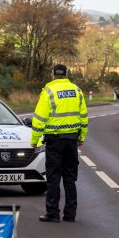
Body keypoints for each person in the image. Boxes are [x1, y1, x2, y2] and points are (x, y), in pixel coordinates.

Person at [31, 64, 89, 222]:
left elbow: (39, 118)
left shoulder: (48, 91)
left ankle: (52, 213)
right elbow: (83, 115)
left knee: (53, 178)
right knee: (70, 178)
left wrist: (34, 140)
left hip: (54, 141)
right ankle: (70, 214)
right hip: (71, 140)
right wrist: (81, 136)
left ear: (52, 75)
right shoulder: (76, 90)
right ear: (67, 74)